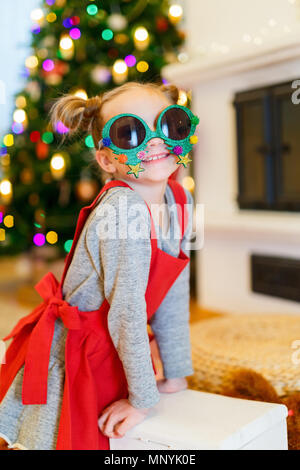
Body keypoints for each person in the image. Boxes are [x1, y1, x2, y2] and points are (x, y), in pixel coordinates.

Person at [0, 81, 200, 450]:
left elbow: (173, 292)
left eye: (170, 124)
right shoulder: (123, 211)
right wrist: (143, 399)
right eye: (130, 133)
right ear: (107, 160)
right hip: (84, 348)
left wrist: (175, 372)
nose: (155, 141)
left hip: (117, 339)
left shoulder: (182, 198)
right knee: (80, 437)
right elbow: (126, 311)